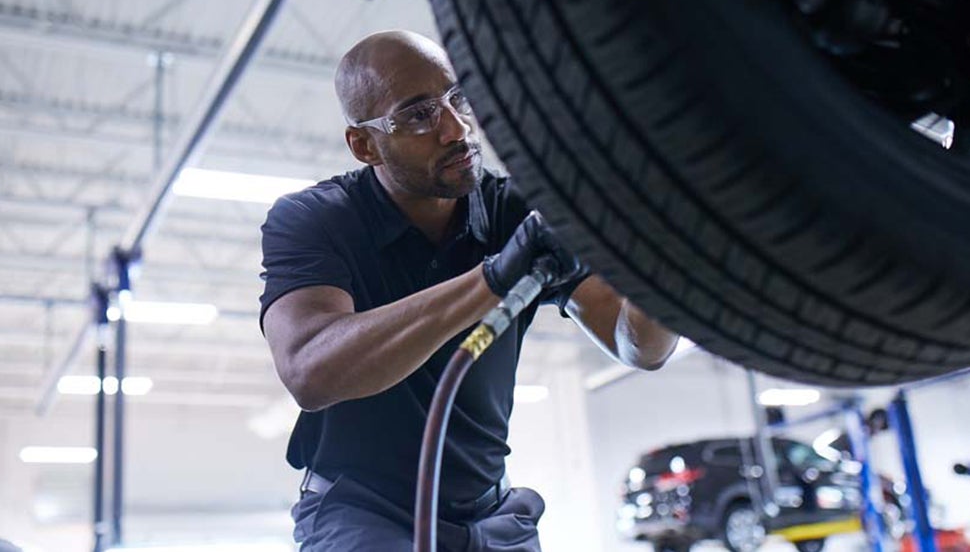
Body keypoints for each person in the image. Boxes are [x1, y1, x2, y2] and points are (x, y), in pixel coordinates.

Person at [259, 30, 681, 551]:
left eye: (457, 99)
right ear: (365, 144)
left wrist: (667, 251)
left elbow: (638, 346)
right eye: (418, 115)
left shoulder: (514, 212)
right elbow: (310, 371)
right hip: (363, 516)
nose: (456, 128)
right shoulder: (315, 219)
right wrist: (494, 279)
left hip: (492, 514)